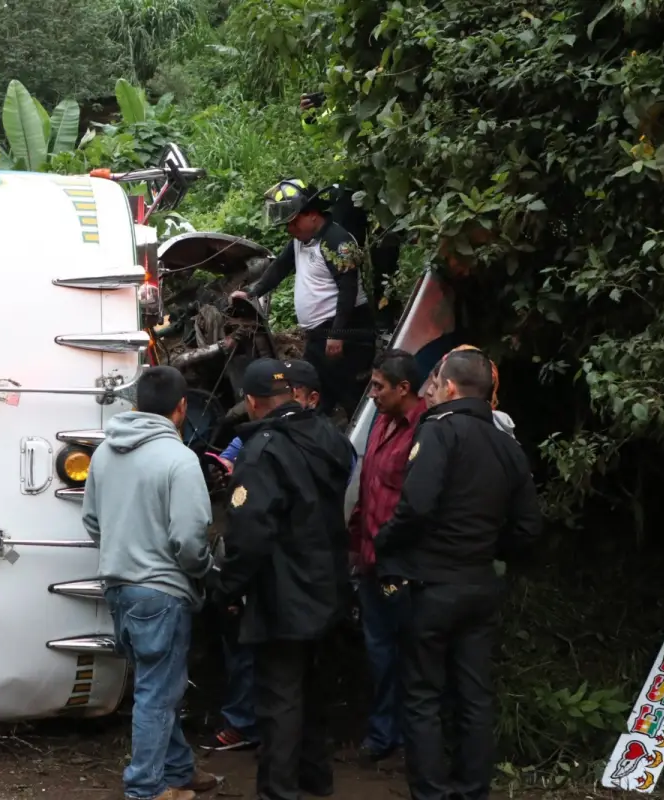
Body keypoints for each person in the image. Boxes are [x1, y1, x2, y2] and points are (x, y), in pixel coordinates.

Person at [373, 349, 542, 800]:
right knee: (475, 695)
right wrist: (487, 546)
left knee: (423, 696)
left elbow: (417, 506)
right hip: (480, 584)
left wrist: (385, 540)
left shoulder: (440, 432)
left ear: (448, 387)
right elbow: (528, 528)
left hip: (431, 585)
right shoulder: (508, 445)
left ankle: (430, 792)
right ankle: (472, 791)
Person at [211, 358, 356, 800]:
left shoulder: (264, 449)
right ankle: (316, 778)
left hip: (284, 589)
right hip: (329, 583)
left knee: (280, 696)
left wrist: (227, 587)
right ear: (292, 394)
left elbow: (251, 531)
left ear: (253, 402)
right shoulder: (330, 437)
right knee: (314, 689)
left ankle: (278, 789)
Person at [81, 365, 221, 800]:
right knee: (158, 694)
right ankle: (145, 788)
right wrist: (201, 570)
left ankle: (178, 771)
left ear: (138, 404)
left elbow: (91, 520)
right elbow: (191, 538)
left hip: (118, 586)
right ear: (181, 409)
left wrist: (122, 550)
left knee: (153, 685)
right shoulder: (179, 459)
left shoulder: (104, 453)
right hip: (162, 591)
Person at [230, 179, 376, 418]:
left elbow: (348, 290)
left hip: (345, 330)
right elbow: (279, 268)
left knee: (348, 391)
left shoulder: (337, 242)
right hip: (319, 334)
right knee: (316, 390)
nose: (291, 229)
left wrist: (337, 333)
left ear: (313, 215)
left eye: (294, 222)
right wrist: (252, 293)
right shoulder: (302, 240)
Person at [348, 349, 426, 764]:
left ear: (404, 389)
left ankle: (417, 740)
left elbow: (418, 506)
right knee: (379, 653)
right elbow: (368, 488)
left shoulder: (426, 431)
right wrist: (357, 547)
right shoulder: (380, 423)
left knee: (414, 654)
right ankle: (383, 735)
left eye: (379, 387)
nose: (372, 394)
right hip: (372, 562)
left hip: (407, 566)